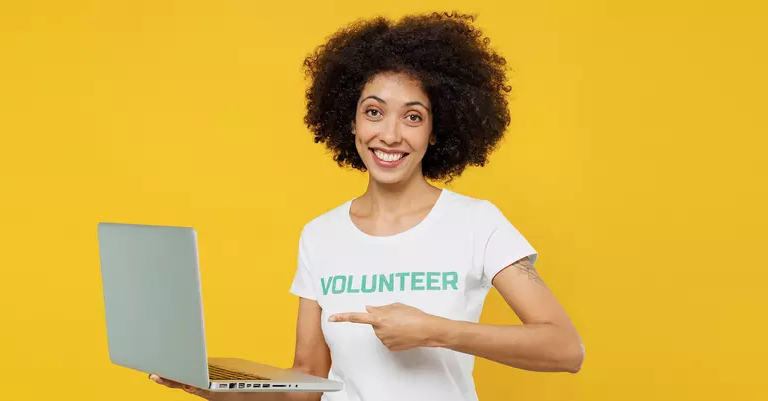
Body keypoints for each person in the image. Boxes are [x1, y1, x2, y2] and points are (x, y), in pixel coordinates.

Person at [151, 11, 584, 401]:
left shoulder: (477, 223)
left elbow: (566, 349)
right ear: (352, 121)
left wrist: (435, 331)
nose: (391, 135)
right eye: (374, 112)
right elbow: (306, 381)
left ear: (436, 131)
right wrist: (207, 385)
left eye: (413, 117)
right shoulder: (319, 235)